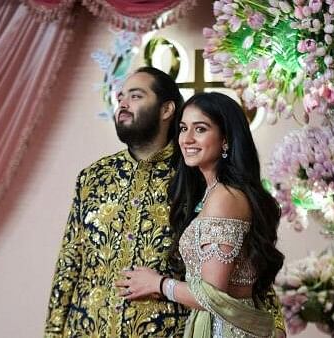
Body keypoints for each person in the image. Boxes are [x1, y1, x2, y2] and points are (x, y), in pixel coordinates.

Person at [115, 92, 286, 337]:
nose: (187, 139)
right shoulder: (216, 193)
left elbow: (212, 294)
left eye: (201, 129)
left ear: (225, 138)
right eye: (184, 128)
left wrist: (159, 284)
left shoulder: (225, 197)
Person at [44, 66, 189, 337]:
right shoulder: (94, 176)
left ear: (166, 110)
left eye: (135, 96)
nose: (122, 103)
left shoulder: (193, 177)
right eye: (121, 97)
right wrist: (53, 332)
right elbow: (69, 262)